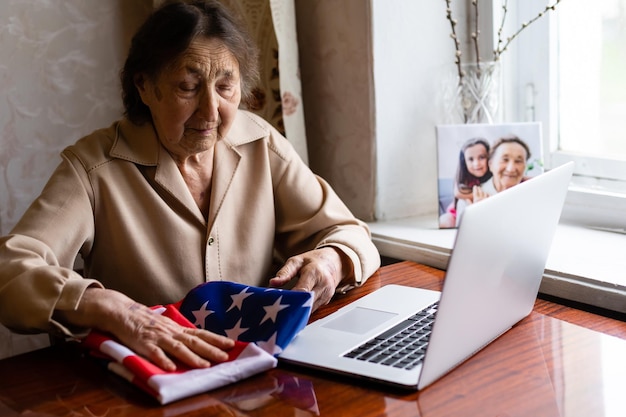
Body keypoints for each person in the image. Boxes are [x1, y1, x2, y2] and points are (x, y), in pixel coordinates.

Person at [0, 0, 380, 372]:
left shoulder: (259, 142)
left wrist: (331, 260)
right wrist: (113, 308)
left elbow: (348, 233)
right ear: (145, 86)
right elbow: (12, 271)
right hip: (151, 382)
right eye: (188, 86)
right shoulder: (94, 168)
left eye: (226, 87)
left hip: (254, 370)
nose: (210, 111)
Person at [455, 135, 531, 226]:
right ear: (490, 164)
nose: (511, 169)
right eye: (505, 160)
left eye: (518, 161)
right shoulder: (468, 201)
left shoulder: (532, 196)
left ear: (525, 166)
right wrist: (478, 214)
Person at [439, 138, 492, 228]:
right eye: (471, 159)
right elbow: (458, 192)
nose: (476, 164)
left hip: (478, 214)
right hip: (455, 213)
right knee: (444, 221)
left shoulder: (494, 175)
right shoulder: (464, 177)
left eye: (482, 157)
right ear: (464, 162)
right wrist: (487, 196)